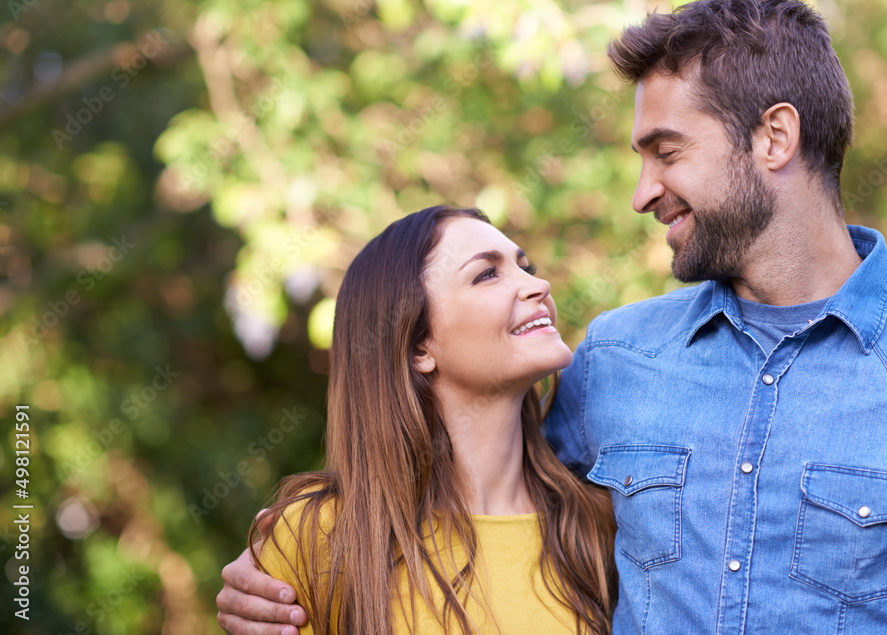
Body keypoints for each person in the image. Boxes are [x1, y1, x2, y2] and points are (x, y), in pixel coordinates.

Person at [218, 0, 887, 634]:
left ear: (774, 138)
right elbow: (464, 489)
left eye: (667, 152)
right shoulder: (613, 359)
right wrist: (281, 575)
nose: (642, 194)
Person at [224, 205, 616, 635]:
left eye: (527, 267)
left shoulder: (600, 527)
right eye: (487, 274)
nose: (538, 285)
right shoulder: (322, 535)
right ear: (418, 348)